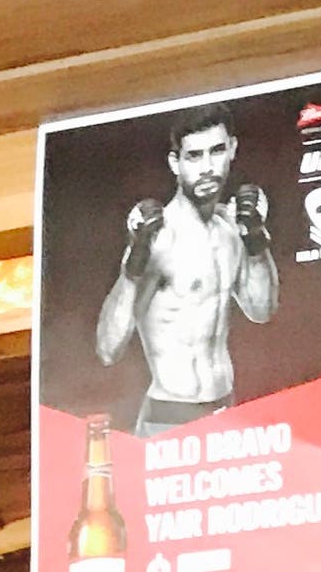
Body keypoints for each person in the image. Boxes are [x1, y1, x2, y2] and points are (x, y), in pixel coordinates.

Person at [94, 103, 277, 437]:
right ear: (174, 163)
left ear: (232, 149)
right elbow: (108, 349)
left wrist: (254, 238)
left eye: (216, 151)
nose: (207, 167)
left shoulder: (231, 227)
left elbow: (261, 310)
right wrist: (134, 264)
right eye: (194, 156)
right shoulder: (159, 239)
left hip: (225, 409)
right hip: (168, 417)